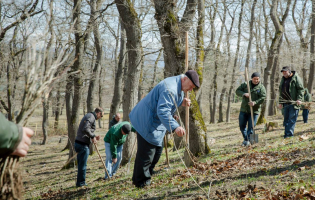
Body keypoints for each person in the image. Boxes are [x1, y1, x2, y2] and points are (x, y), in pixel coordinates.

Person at [129, 70, 200, 188]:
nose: (191, 90)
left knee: (157, 152)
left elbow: (169, 102)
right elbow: (162, 111)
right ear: (185, 79)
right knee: (147, 154)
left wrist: (181, 101)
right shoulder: (170, 88)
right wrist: (175, 126)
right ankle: (140, 182)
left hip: (154, 121)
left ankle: (146, 177)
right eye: (191, 86)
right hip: (146, 120)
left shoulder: (178, 86)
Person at [74, 107, 103, 187]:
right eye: (101, 116)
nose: (101, 117)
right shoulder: (91, 117)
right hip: (82, 145)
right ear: (99, 113)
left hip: (81, 143)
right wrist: (92, 136)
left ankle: (80, 182)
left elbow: (87, 131)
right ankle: (81, 183)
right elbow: (85, 128)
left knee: (81, 165)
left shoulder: (90, 116)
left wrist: (94, 136)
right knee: (83, 165)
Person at [236, 72, 266, 146]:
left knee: (251, 126)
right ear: (252, 78)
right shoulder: (246, 85)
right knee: (242, 126)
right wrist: (244, 94)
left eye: (258, 79)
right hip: (244, 109)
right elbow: (237, 91)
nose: (256, 80)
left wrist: (255, 102)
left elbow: (263, 97)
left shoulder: (261, 87)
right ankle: (246, 140)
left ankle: (249, 141)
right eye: (255, 79)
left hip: (254, 110)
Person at [278, 66, 304, 138]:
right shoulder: (283, 79)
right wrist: (280, 102)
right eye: (283, 72)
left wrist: (299, 99)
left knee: (291, 119)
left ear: (289, 71)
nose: (284, 73)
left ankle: (289, 135)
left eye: (285, 71)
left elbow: (301, 89)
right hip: (285, 103)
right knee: (286, 120)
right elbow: (281, 91)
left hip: (294, 102)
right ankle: (286, 135)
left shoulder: (296, 78)